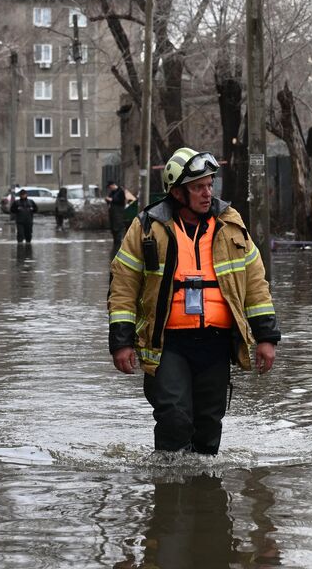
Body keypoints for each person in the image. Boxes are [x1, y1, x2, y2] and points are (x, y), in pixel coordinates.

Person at [108, 148, 280, 456]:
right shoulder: (147, 227)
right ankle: (168, 491)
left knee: (208, 426)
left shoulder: (230, 225)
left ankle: (204, 493)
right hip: (168, 343)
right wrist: (121, 342)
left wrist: (266, 337)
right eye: (198, 186)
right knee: (174, 417)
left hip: (215, 343)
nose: (207, 192)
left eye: (210, 184)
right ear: (177, 192)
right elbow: (123, 285)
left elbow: (255, 284)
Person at [105, 180, 128, 257]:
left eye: (109, 187)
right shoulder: (112, 192)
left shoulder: (120, 191)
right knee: (113, 228)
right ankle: (115, 246)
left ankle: (118, 247)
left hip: (118, 214)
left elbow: (120, 201)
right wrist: (107, 200)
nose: (109, 189)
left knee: (118, 228)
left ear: (112, 185)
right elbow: (109, 201)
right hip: (112, 214)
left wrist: (111, 200)